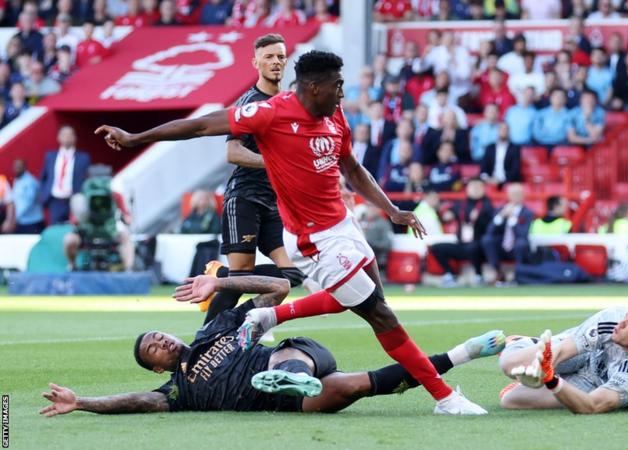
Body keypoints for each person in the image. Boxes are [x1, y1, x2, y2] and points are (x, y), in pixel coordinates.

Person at [96, 50, 487, 415]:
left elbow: (352, 168)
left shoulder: (335, 116)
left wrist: (391, 210)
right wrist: (136, 137)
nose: (341, 93)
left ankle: (270, 317)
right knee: (381, 317)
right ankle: (445, 397)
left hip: (344, 227)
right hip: (312, 241)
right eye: (337, 85)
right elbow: (200, 125)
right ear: (314, 87)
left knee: (369, 301)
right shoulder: (269, 114)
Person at [40, 274, 506, 416]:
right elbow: (135, 401)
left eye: (159, 335)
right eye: (153, 349)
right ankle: (466, 352)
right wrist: (81, 403)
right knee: (352, 388)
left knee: (284, 357)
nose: (161, 341)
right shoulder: (175, 392)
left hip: (299, 353)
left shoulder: (216, 328)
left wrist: (223, 280)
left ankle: (293, 377)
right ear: (158, 369)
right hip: (286, 405)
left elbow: (278, 288)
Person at [200, 34, 313, 324]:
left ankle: (222, 280)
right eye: (269, 57)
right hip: (245, 198)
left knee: (293, 274)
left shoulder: (290, 104)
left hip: (275, 204)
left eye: (280, 57)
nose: (276, 62)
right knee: (241, 279)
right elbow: (233, 152)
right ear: (256, 63)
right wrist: (274, 163)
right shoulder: (249, 103)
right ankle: (203, 344)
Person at [498, 296, 628, 414]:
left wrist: (550, 379)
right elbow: (564, 350)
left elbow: (592, 405)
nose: (620, 324)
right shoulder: (614, 317)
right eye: (626, 316)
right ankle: (520, 342)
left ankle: (547, 371)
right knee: (508, 364)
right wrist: (543, 367)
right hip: (589, 353)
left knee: (510, 400)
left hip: (596, 385)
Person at [430, 178, 494, 287]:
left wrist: (478, 219)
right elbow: (447, 216)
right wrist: (443, 214)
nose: (475, 190)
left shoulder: (487, 205)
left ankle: (479, 275)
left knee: (474, 247)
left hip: (479, 245)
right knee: (436, 247)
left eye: (478, 187)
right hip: (462, 244)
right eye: (472, 186)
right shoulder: (461, 204)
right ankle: (451, 274)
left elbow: (490, 225)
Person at [480, 183, 534, 285]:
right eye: (513, 194)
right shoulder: (500, 210)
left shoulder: (528, 212)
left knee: (521, 243)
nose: (515, 196)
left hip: (517, 246)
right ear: (508, 196)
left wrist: (513, 219)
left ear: (523, 196)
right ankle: (499, 273)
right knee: (487, 240)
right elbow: (490, 231)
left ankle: (519, 274)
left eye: (518, 194)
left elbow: (523, 234)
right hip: (502, 245)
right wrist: (500, 216)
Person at [38, 125, 91, 224]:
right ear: (58, 137)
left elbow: (88, 179)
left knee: (75, 230)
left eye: (70, 135)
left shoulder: (83, 158)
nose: (67, 137)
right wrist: (43, 194)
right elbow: (43, 177)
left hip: (74, 199)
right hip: (55, 200)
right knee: (55, 230)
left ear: (74, 138)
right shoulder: (50, 156)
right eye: (64, 135)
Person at [480, 122, 521, 187]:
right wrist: (487, 179)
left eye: (505, 130)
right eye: (501, 129)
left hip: (507, 182)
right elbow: (484, 167)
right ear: (497, 131)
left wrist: (500, 180)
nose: (503, 131)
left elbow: (515, 170)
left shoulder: (515, 149)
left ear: (509, 132)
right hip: (489, 181)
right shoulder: (489, 148)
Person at [11, 158, 45, 234]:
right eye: (15, 167)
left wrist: (14, 218)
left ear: (24, 167)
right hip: (22, 222)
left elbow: (28, 202)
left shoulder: (30, 182)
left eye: (19, 167)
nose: (16, 169)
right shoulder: (17, 180)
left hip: (33, 222)